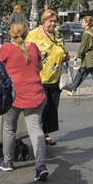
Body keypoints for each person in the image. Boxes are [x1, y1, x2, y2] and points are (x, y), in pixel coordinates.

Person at [0, 22, 49, 181]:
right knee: (35, 129)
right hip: (35, 93)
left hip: (14, 95)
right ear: (27, 33)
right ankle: (40, 166)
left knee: (9, 127)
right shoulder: (33, 47)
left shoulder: (6, 48)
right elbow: (39, 66)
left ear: (10, 33)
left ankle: (7, 161)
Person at [26, 10, 67, 146]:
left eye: (55, 21)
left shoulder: (58, 35)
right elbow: (25, 51)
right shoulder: (34, 35)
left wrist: (64, 56)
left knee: (52, 108)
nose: (53, 24)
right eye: (50, 21)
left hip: (55, 77)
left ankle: (46, 132)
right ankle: (37, 134)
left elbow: (62, 49)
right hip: (39, 77)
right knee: (42, 107)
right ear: (43, 21)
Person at [65, 15, 93, 103]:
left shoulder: (86, 33)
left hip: (90, 58)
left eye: (82, 22)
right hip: (89, 57)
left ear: (86, 23)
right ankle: (72, 89)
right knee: (81, 73)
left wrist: (77, 55)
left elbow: (83, 46)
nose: (81, 23)